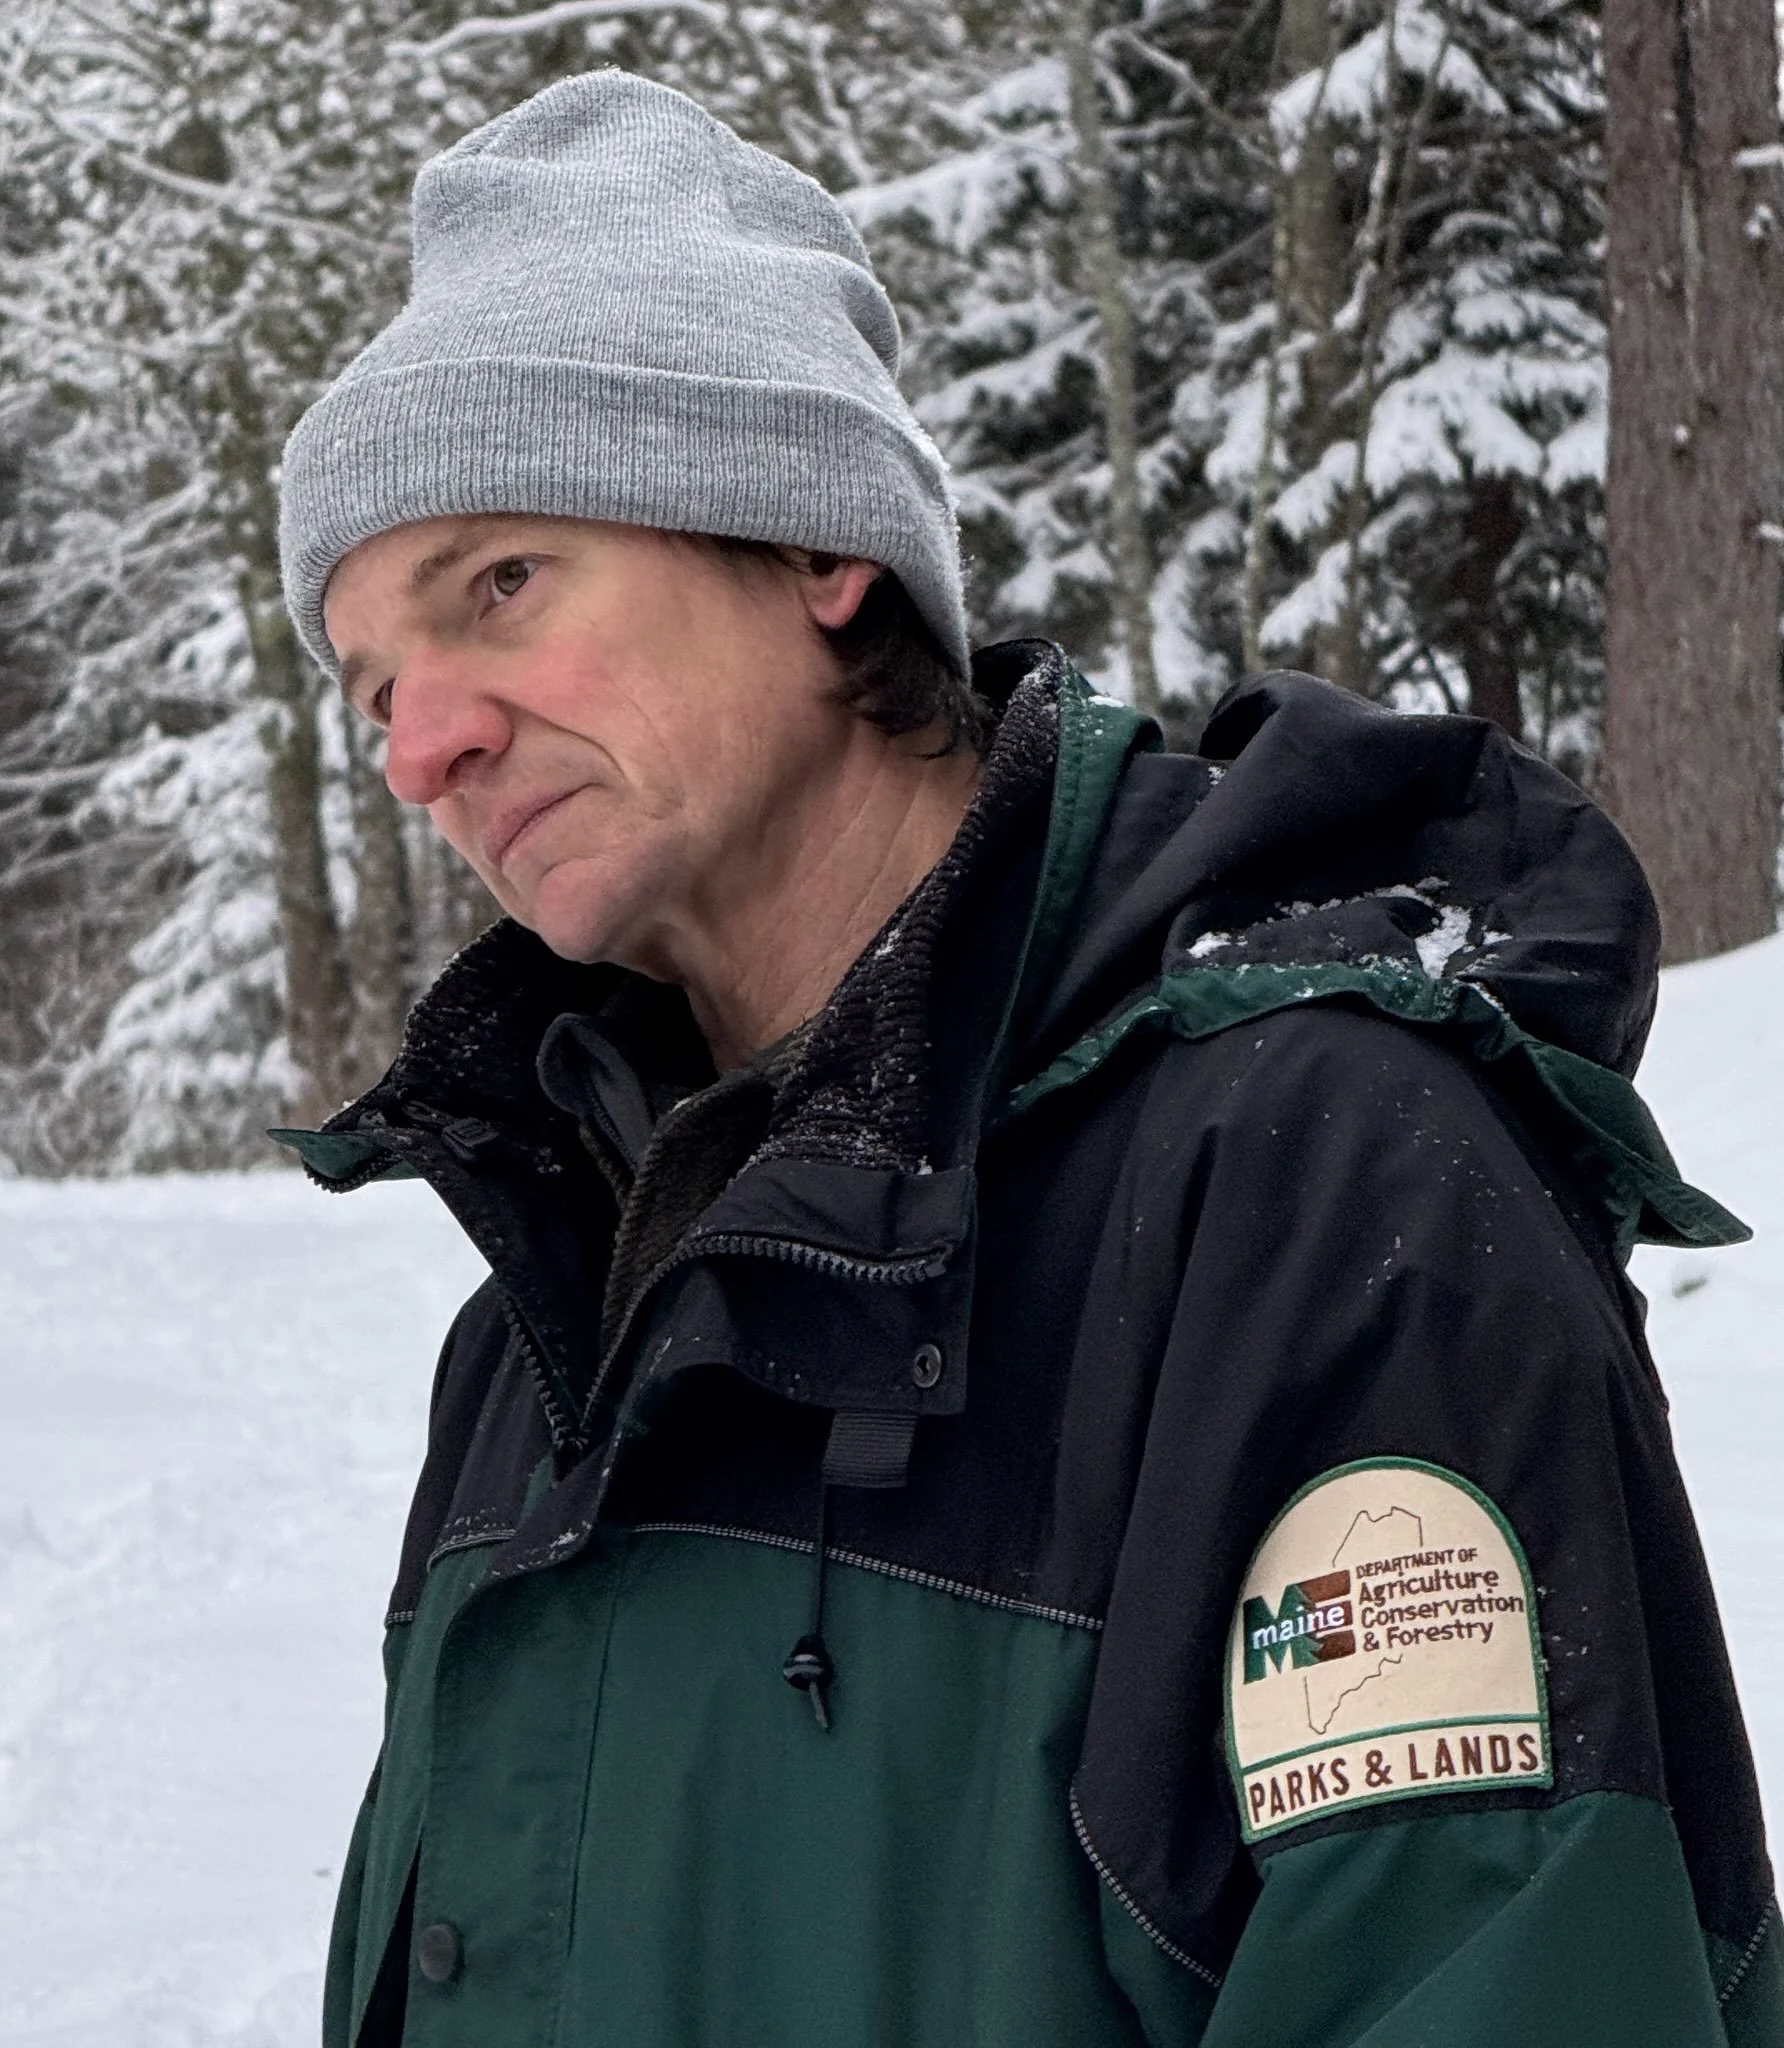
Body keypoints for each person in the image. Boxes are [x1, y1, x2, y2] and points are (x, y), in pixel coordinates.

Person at [275, 67, 1781, 2048]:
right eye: (373, 683)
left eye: (500, 585)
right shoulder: (557, 1318)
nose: (421, 746)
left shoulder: (1307, 1187)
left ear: (814, 546)